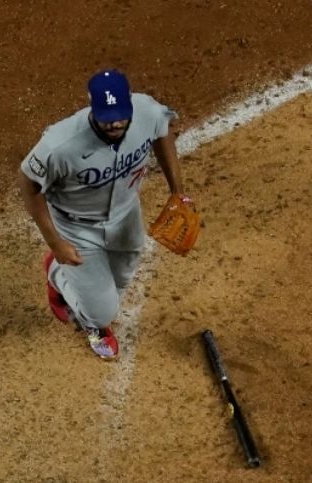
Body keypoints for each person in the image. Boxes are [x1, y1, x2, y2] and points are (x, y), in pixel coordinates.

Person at [20, 69, 187, 359]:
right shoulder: (60, 145)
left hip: (126, 214)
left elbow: (163, 131)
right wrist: (55, 242)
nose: (116, 123)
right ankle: (65, 286)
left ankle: (72, 284)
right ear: (91, 107)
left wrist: (178, 192)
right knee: (102, 313)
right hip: (76, 227)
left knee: (121, 280)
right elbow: (29, 185)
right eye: (107, 118)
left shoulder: (146, 111)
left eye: (121, 115)